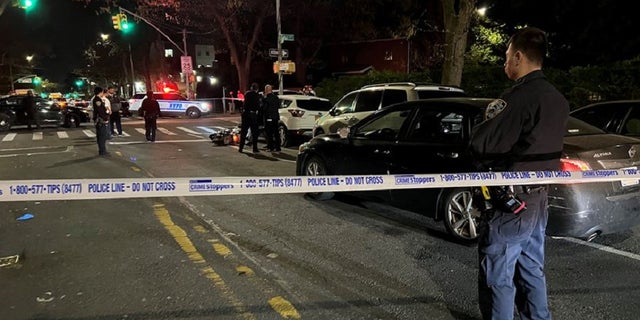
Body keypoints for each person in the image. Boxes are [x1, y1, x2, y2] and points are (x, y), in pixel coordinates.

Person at [469, 27, 569, 320]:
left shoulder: (518, 98)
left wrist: (482, 124)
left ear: (518, 56)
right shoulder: (557, 99)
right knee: (531, 269)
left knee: (497, 276)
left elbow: (482, 143)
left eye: (506, 57)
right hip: (538, 199)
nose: (504, 63)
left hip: (511, 203)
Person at [238, 82, 261, 153]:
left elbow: (244, 103)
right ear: (257, 89)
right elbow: (258, 106)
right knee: (254, 133)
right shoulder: (257, 95)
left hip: (245, 114)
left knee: (244, 132)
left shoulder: (247, 94)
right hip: (253, 115)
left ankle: (241, 147)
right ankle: (255, 148)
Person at [262, 84, 281, 152]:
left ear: (266, 90)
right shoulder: (276, 97)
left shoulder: (266, 99)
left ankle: (270, 147)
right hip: (275, 117)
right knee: (276, 132)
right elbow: (278, 106)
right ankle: (278, 147)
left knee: (269, 132)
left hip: (269, 118)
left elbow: (264, 108)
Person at [91, 87, 109, 156]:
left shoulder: (97, 99)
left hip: (99, 120)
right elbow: (100, 110)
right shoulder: (97, 99)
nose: (102, 93)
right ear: (100, 92)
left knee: (101, 136)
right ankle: (102, 151)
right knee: (102, 136)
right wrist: (105, 117)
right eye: (102, 92)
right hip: (100, 120)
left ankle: (102, 150)